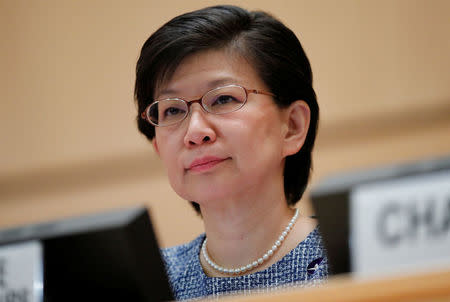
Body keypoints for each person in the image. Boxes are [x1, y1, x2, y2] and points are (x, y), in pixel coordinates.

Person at [134, 5, 327, 300]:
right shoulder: (146, 284)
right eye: (172, 109)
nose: (195, 132)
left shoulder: (349, 267)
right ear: (158, 146)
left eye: (223, 98)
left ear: (292, 126)